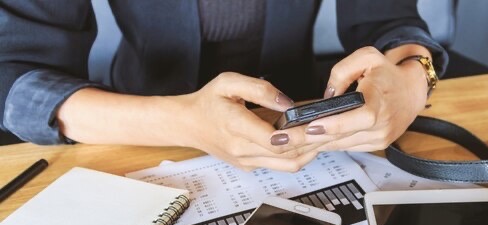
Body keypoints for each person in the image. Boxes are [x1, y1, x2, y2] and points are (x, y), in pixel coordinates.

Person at [0, 0, 448, 172]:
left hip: (303, 132)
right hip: (134, 131)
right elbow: (14, 72)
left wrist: (412, 78)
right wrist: (181, 122)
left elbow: (388, 21)